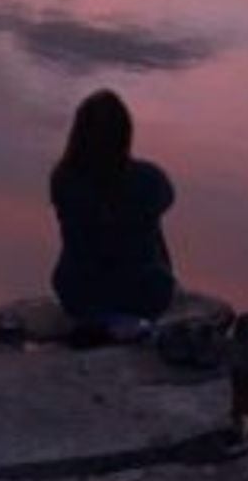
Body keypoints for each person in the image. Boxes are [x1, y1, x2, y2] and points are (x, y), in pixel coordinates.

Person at [50, 89, 178, 332]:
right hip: (144, 296)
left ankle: (101, 313)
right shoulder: (150, 178)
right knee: (150, 222)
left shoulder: (63, 179)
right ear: (125, 135)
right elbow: (167, 200)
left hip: (78, 296)